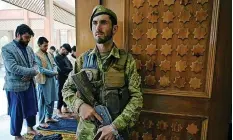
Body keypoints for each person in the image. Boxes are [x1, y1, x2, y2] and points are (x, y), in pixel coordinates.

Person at [62, 5, 143, 140]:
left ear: (114, 28)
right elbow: (66, 90)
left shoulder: (127, 61)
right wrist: (80, 106)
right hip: (86, 134)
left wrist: (115, 127)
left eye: (103, 22)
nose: (98, 28)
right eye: (95, 23)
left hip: (115, 132)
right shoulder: (82, 60)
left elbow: (137, 98)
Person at [1, 24, 40, 140]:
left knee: (32, 108)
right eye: (26, 37)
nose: (28, 40)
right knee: (17, 112)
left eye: (29, 38)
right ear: (18, 35)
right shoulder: (7, 49)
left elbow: (35, 64)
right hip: (15, 86)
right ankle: (17, 135)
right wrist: (32, 72)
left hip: (29, 84)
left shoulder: (29, 48)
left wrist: (32, 72)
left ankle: (30, 128)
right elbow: (12, 67)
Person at [35, 37, 59, 129]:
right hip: (43, 81)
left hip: (52, 80)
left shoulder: (49, 54)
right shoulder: (36, 55)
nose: (46, 47)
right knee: (43, 101)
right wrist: (53, 73)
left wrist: (55, 71)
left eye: (47, 46)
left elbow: (54, 64)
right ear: (39, 45)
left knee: (52, 98)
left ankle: (49, 117)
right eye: (44, 46)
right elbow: (40, 69)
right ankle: (41, 121)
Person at [54, 44, 73, 117]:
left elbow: (70, 65)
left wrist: (70, 69)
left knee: (66, 92)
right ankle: (58, 110)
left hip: (66, 77)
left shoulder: (65, 57)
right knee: (60, 93)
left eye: (67, 52)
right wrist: (71, 69)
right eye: (66, 51)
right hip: (60, 78)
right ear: (62, 48)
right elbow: (62, 69)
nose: (66, 53)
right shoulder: (57, 57)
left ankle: (65, 107)